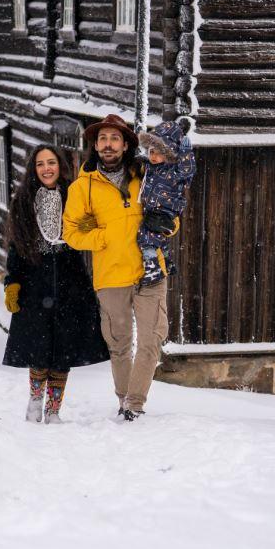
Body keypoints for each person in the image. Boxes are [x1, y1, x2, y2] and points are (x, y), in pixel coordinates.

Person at [62, 114, 175, 422]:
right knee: (119, 345)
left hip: (150, 271)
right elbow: (71, 232)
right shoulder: (82, 187)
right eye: (102, 139)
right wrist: (104, 236)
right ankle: (123, 400)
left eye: (114, 138)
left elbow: (171, 216)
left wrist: (166, 225)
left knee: (152, 340)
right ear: (95, 145)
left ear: (126, 144)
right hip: (111, 274)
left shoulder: (147, 177)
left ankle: (134, 405)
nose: (108, 144)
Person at [2, 145, 108, 424]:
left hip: (70, 283)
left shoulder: (74, 197)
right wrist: (11, 283)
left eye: (51, 163)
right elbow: (16, 247)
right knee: (39, 348)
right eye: (40, 164)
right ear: (33, 170)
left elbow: (90, 230)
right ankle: (35, 401)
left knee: (63, 349)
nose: (46, 168)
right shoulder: (24, 202)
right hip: (34, 283)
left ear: (59, 166)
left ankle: (53, 411)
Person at [136, 120, 195, 286]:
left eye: (158, 152)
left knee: (145, 235)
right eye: (151, 151)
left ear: (169, 153)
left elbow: (188, 171)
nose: (153, 156)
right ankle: (167, 260)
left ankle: (152, 267)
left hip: (166, 210)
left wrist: (185, 152)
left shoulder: (175, 171)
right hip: (153, 208)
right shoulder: (149, 166)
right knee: (158, 237)